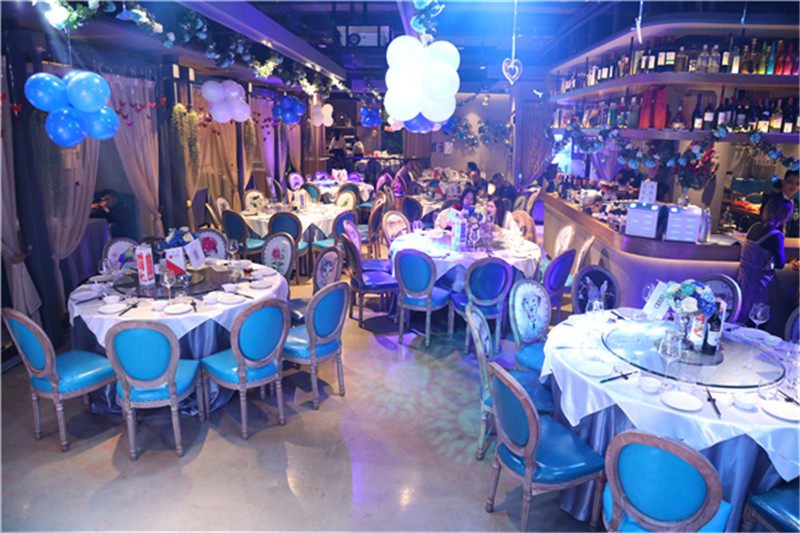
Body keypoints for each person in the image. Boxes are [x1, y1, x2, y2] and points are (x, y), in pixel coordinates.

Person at [736, 196, 793, 327]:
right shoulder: (776, 236)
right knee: (758, 320)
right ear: (785, 216)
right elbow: (780, 264)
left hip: (742, 278)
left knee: (742, 318)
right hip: (760, 283)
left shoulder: (754, 227)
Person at [760, 169, 799, 238]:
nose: (793, 186)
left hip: (788, 240)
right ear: (783, 182)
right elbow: (764, 219)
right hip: (768, 237)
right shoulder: (772, 197)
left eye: (797, 184)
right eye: (790, 182)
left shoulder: (797, 204)